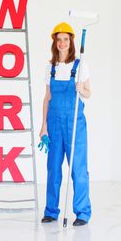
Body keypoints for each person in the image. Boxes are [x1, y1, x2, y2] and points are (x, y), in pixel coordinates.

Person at [39, 22, 91, 226]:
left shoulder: (80, 65)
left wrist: (81, 89)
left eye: (66, 39)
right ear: (54, 42)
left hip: (75, 123)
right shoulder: (50, 67)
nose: (62, 43)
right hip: (53, 123)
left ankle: (82, 213)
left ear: (71, 42)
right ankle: (51, 211)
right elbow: (47, 98)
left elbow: (89, 92)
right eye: (59, 39)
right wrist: (43, 125)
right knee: (53, 168)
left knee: (78, 169)